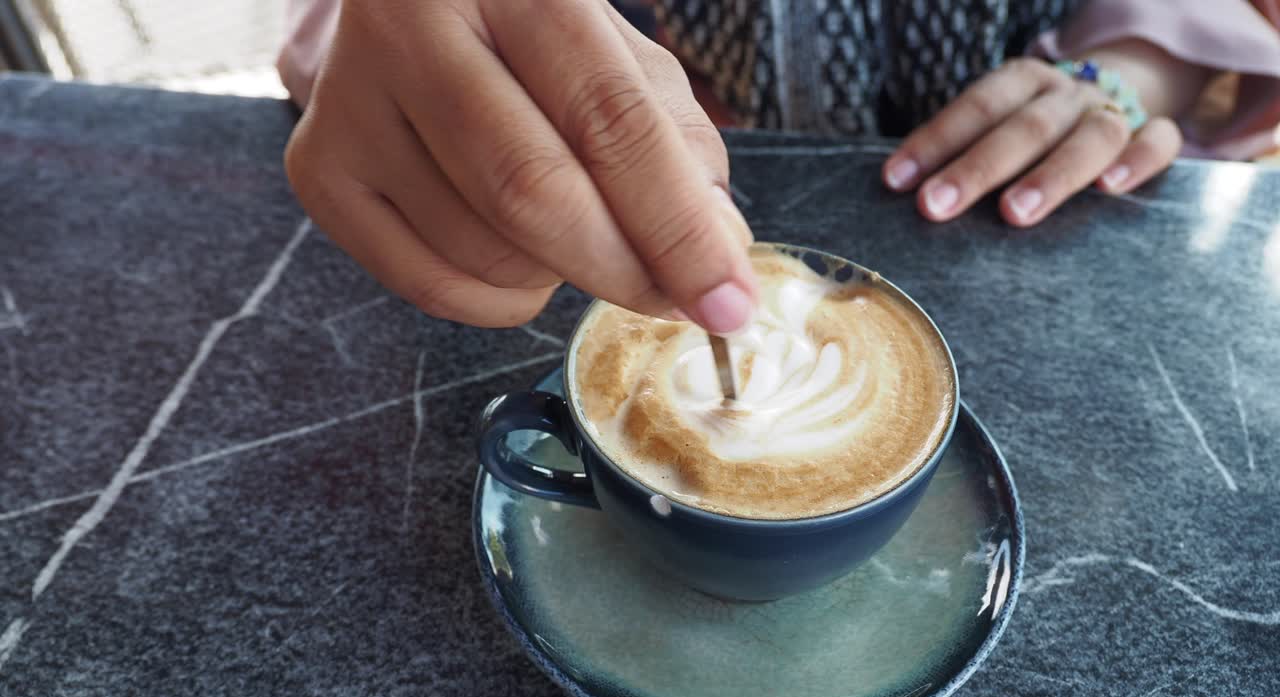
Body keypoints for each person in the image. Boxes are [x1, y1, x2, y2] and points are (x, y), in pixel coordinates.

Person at [277, 0, 1280, 332]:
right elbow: (384, 43)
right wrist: (442, 62)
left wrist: (1135, 68)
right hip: (646, 191)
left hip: (1022, 213)